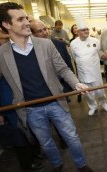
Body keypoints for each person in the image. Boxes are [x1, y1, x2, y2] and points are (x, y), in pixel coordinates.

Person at [0, 2, 96, 172]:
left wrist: (76, 83)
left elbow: (63, 69)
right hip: (31, 110)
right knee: (46, 143)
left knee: (73, 138)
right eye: (21, 19)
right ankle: (57, 165)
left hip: (56, 103)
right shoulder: (0, 54)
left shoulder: (45, 45)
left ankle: (81, 164)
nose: (27, 22)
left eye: (26, 18)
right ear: (6, 25)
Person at [0, 16, 43, 170]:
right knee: (17, 131)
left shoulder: (14, 47)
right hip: (6, 100)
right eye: (0, 26)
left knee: (31, 126)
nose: (5, 28)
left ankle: (35, 153)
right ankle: (27, 163)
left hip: (24, 96)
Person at [30, 19, 73, 149]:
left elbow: (67, 66)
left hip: (59, 89)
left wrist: (67, 88)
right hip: (41, 93)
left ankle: (64, 139)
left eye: (46, 29)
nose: (45, 33)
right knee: (45, 123)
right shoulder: (31, 50)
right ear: (32, 34)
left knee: (64, 122)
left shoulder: (59, 45)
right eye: (40, 31)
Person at [70, 20, 107, 116]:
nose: (86, 31)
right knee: (88, 93)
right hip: (83, 72)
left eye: (87, 29)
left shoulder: (95, 41)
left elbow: (99, 54)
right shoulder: (73, 43)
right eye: (83, 30)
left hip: (95, 72)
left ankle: (103, 103)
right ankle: (93, 106)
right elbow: (74, 57)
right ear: (78, 32)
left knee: (100, 91)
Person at [70, 23, 82, 103]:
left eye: (76, 28)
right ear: (72, 31)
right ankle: (79, 93)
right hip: (77, 61)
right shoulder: (71, 41)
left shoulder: (83, 38)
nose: (75, 29)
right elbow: (72, 54)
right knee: (79, 77)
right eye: (74, 28)